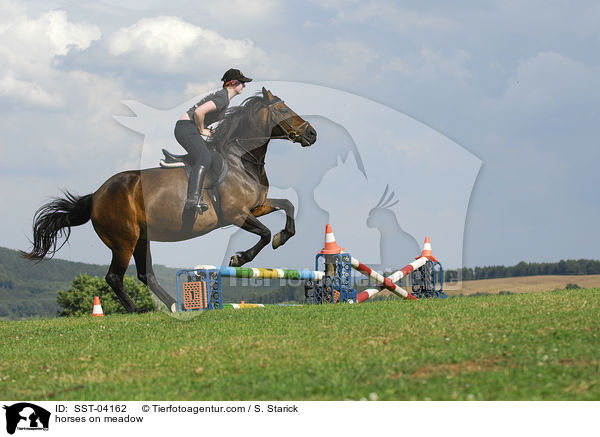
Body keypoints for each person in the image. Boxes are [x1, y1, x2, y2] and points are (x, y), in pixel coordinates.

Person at [175, 68, 252, 218]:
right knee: (205, 158)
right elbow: (199, 112)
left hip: (188, 128)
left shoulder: (224, 98)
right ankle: (192, 199)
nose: (244, 86)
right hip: (186, 128)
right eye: (242, 83)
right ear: (233, 83)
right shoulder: (222, 98)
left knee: (211, 156)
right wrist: (201, 129)